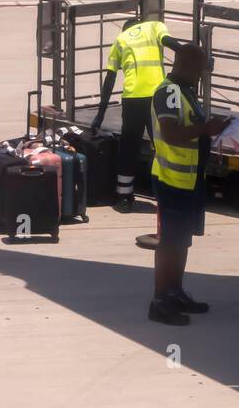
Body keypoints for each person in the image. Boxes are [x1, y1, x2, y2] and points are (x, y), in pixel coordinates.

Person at [148, 43, 229, 325]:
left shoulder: (185, 93)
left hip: (190, 179)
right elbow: (171, 134)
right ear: (186, 65)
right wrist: (207, 129)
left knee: (181, 241)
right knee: (170, 242)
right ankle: (160, 301)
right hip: (172, 180)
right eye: (199, 69)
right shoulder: (168, 92)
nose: (201, 75)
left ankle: (175, 291)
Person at [93, 16, 183, 211]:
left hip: (132, 99)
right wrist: (191, 55)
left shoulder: (120, 39)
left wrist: (100, 113)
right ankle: (169, 194)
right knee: (163, 147)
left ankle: (123, 197)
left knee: (129, 148)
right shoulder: (154, 27)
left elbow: (109, 79)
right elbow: (169, 42)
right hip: (157, 97)